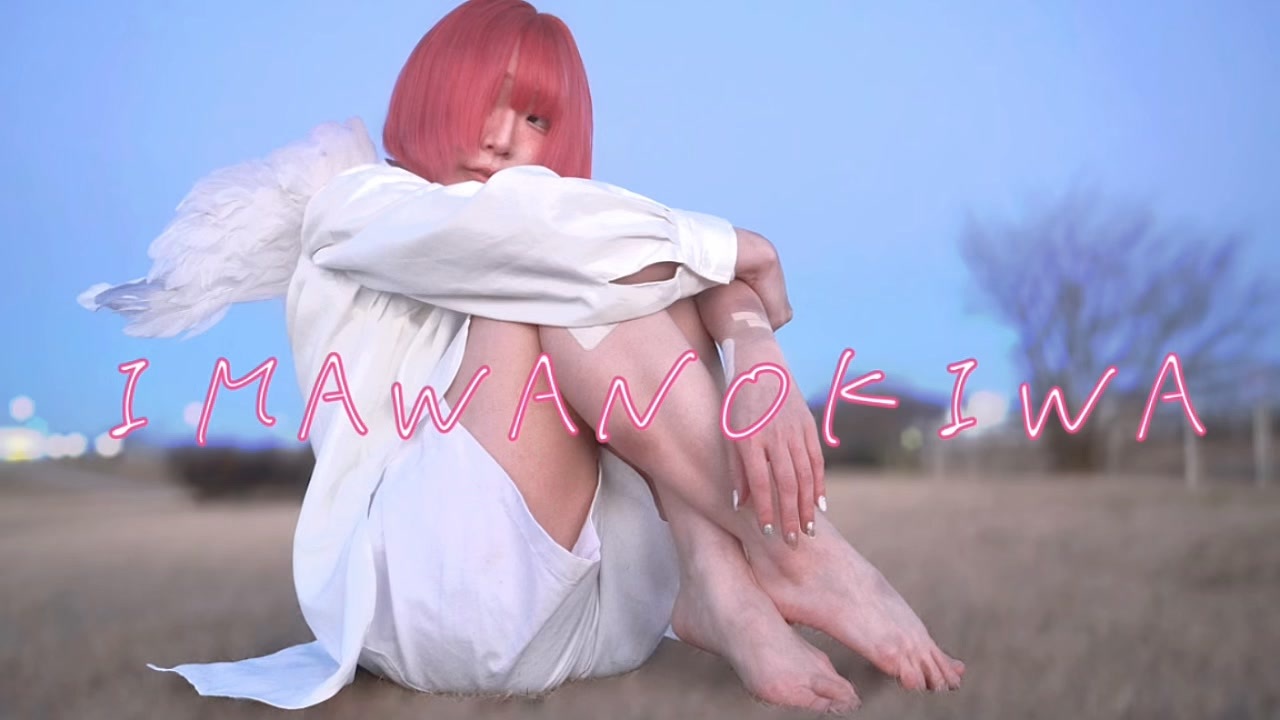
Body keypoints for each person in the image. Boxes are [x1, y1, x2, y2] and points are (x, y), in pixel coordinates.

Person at [80, 0, 963, 713]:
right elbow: (531, 236)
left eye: (535, 117)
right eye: (487, 99)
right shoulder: (358, 207)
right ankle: (796, 554)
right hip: (432, 594)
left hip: (592, 615)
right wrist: (739, 251)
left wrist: (753, 342)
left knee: (605, 266)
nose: (503, 136)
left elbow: (645, 257)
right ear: (433, 90)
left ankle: (719, 583)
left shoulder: (558, 227)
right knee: (561, 273)